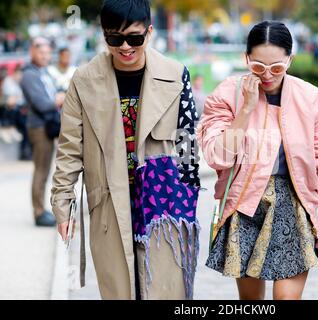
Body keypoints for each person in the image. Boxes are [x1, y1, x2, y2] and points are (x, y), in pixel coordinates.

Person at [51, 0, 200, 300]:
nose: (125, 47)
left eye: (135, 38)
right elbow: (69, 148)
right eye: (114, 39)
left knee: (164, 290)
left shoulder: (175, 74)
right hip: (109, 201)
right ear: (103, 34)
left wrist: (189, 194)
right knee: (119, 290)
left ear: (149, 31)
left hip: (164, 204)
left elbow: (188, 140)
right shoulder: (84, 80)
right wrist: (62, 203)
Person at [197, 21, 318, 300]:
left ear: (290, 59)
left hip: (295, 207)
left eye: (276, 68)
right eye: (258, 67)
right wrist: (247, 107)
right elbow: (217, 156)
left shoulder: (313, 101)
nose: (267, 76)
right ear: (246, 59)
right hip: (245, 206)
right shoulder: (227, 94)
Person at [20, 37, 65, 227]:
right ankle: (39, 212)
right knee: (41, 170)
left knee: (45, 170)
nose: (45, 56)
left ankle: (41, 210)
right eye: (41, 53)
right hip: (38, 127)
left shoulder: (43, 71)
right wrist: (59, 99)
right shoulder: (29, 75)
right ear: (32, 51)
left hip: (46, 126)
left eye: (47, 53)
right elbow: (41, 103)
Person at [1, 65, 31, 160]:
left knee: (27, 125)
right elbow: (11, 100)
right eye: (18, 74)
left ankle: (25, 152)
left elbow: (21, 98)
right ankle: (9, 127)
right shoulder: (8, 82)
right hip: (8, 110)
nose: (19, 77)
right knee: (12, 107)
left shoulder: (19, 83)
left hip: (18, 109)